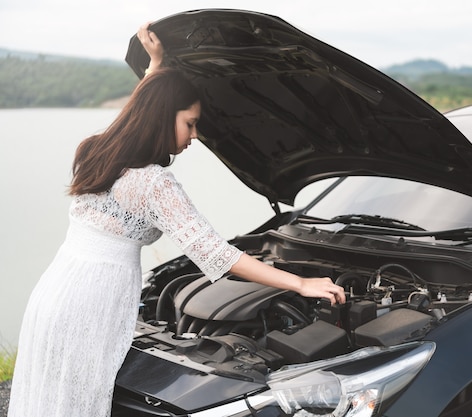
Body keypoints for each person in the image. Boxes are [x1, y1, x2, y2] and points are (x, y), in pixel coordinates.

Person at [7, 24, 346, 417]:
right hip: (92, 306)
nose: (195, 135)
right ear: (164, 117)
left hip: (54, 295)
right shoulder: (153, 182)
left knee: (47, 401)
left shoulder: (95, 151)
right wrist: (300, 282)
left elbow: (141, 110)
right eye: (191, 122)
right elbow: (217, 254)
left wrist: (156, 67)